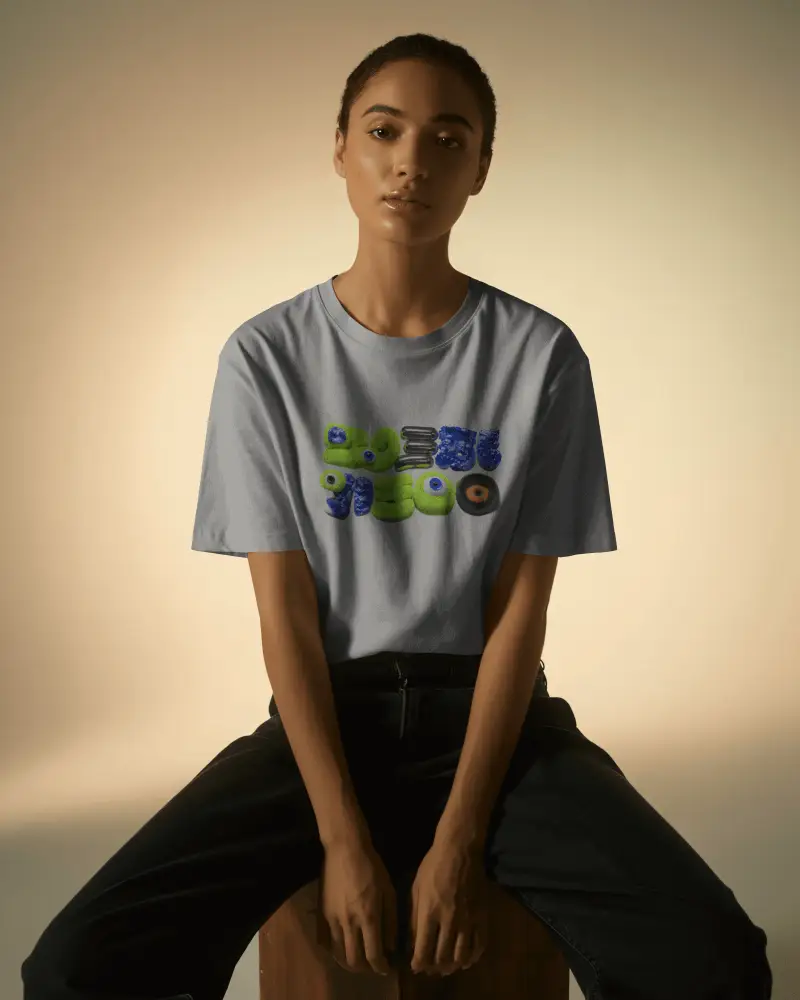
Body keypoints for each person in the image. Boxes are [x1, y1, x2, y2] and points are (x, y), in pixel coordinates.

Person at [21, 32, 772, 1000]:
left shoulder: (537, 355)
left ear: (479, 170)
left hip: (498, 724)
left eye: (447, 138)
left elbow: (518, 613)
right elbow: (284, 614)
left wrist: (457, 841)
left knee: (712, 959)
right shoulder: (266, 358)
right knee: (78, 964)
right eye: (384, 130)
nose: (411, 160)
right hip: (326, 718)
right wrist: (341, 839)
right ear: (340, 147)